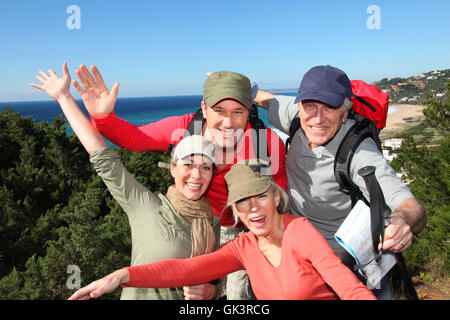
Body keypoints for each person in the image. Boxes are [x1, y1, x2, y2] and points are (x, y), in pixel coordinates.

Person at [71, 66, 288, 299]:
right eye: (219, 111)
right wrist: (103, 117)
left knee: (237, 294)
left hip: (245, 226)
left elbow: (279, 197)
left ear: (249, 110)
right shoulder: (185, 128)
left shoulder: (266, 143)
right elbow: (132, 138)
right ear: (204, 108)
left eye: (238, 112)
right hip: (198, 222)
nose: (228, 122)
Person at [30, 62, 222, 300]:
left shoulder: (212, 223)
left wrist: (212, 291)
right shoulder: (147, 207)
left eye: (205, 167)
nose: (196, 175)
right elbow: (102, 157)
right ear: (172, 168)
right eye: (188, 165)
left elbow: (220, 277)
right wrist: (64, 97)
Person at [68, 162, 377, 300]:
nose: (253, 208)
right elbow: (185, 270)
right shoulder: (243, 247)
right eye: (243, 202)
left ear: (276, 198)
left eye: (260, 196)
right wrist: (122, 275)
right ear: (237, 215)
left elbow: (347, 287)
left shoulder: (300, 232)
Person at [254, 65, 427, 299]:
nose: (317, 117)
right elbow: (266, 100)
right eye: (310, 105)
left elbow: (410, 205)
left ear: (345, 113)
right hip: (295, 244)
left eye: (330, 107)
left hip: (343, 259)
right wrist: (232, 86)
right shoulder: (296, 118)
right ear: (300, 106)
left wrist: (402, 221)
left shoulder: (359, 154)